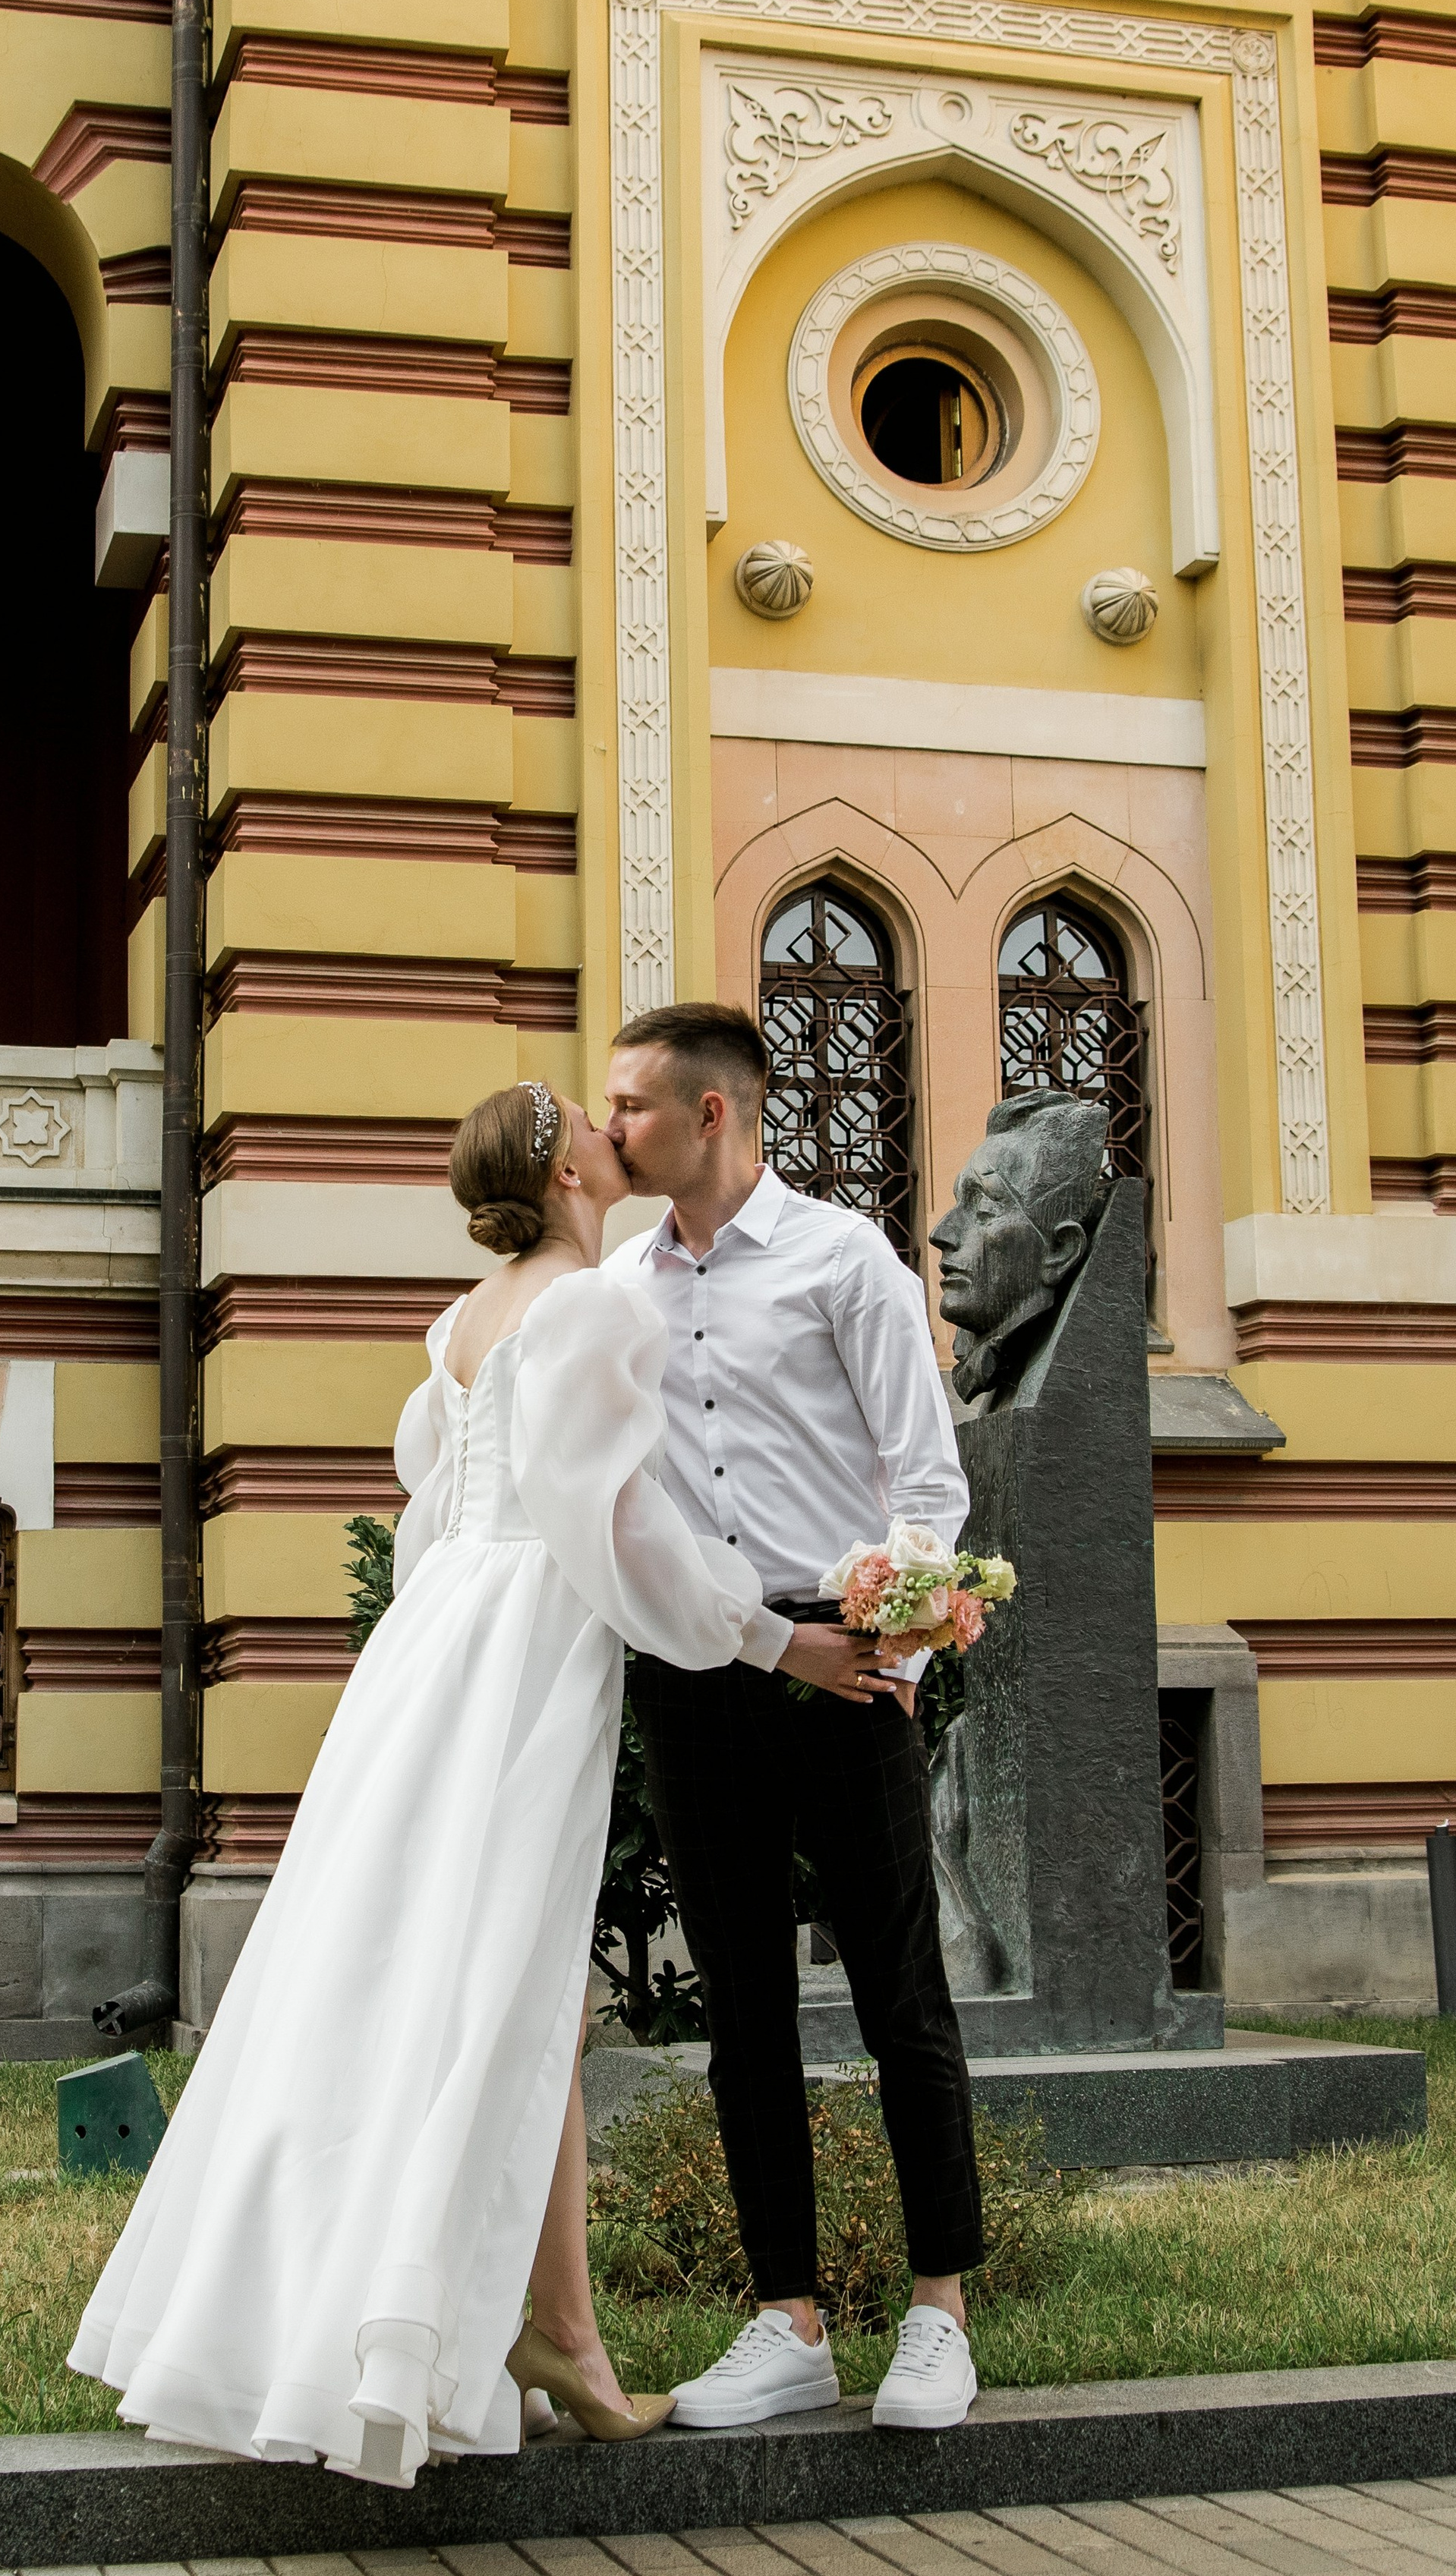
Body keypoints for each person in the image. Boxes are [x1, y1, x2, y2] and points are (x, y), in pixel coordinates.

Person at [68, 1080, 794, 2486]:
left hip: (435, 1652)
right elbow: (617, 1524)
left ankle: (519, 2332)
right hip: (524, 1652)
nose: (614, 1129)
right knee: (509, 1995)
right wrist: (765, 1636)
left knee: (494, 1998)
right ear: (568, 1168)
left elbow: (434, 1509)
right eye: (595, 1119)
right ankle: (554, 2341)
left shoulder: (465, 1322)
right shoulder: (595, 1307)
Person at [603, 1000, 987, 2433]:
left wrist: (897, 1651)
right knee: (743, 2004)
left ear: (714, 1114)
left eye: (633, 1103)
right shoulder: (620, 1289)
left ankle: (941, 2312)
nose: (612, 1124)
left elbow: (925, 1480)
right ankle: (789, 2319)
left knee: (901, 1993)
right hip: (702, 1666)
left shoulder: (843, 1259)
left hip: (848, 1660)